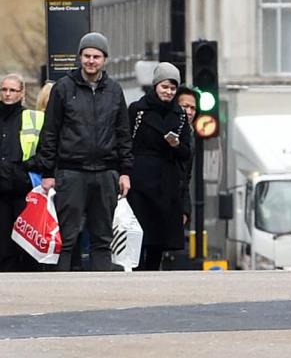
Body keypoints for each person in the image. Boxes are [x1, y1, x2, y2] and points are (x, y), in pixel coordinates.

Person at [37, 32, 133, 271]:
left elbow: (123, 133)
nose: (91, 61)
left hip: (106, 173)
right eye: (87, 55)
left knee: (103, 239)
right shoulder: (63, 88)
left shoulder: (114, 91)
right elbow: (50, 132)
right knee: (66, 238)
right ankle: (60, 292)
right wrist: (48, 172)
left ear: (105, 59)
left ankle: (101, 294)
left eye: (96, 56)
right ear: (79, 57)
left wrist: (125, 171)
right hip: (71, 172)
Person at [128, 63, 192, 270]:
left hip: (166, 182)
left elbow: (187, 154)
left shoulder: (180, 115)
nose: (168, 92)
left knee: (158, 239)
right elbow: (126, 143)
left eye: (173, 88)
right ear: (156, 85)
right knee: (138, 234)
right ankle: (136, 271)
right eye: (165, 87)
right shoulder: (138, 110)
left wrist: (176, 144)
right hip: (140, 180)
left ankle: (152, 272)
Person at [0, 74, 43, 271]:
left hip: (24, 189)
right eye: (4, 89)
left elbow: (45, 151)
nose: (7, 94)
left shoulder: (33, 118)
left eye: (12, 90)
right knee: (3, 245)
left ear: (22, 93)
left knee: (26, 242)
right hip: (1, 190)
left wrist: (25, 168)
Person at [176, 85, 197, 227]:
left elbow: (186, 176)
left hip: (177, 200)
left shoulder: (191, 136)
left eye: (192, 108)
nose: (189, 112)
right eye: (185, 106)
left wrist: (185, 208)